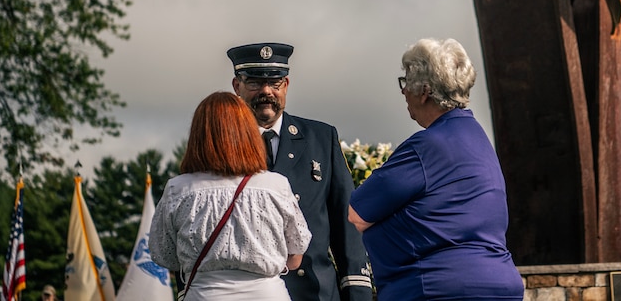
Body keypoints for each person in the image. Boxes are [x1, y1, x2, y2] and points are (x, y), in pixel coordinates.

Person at [348, 38, 525, 300]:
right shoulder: (478, 139)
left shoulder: (426, 146)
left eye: (406, 81)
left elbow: (356, 214)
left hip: (438, 288)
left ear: (425, 91)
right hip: (500, 284)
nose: (403, 91)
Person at [228, 42, 372, 301]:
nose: (266, 92)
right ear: (236, 87)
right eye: (254, 83)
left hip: (314, 293)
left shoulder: (321, 138)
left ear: (287, 85)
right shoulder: (221, 145)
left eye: (275, 83)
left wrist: (357, 291)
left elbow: (345, 224)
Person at [149, 91, 311, 300]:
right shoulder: (275, 185)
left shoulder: (178, 189)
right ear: (248, 133)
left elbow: (164, 255)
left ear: (199, 135)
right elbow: (296, 254)